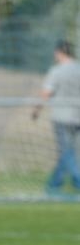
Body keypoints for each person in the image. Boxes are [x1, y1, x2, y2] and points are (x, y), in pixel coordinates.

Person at [32, 39, 80, 193]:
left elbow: (46, 93)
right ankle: (54, 184)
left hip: (62, 117)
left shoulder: (57, 71)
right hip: (78, 116)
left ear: (59, 52)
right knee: (66, 151)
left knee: (66, 152)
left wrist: (37, 110)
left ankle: (77, 180)